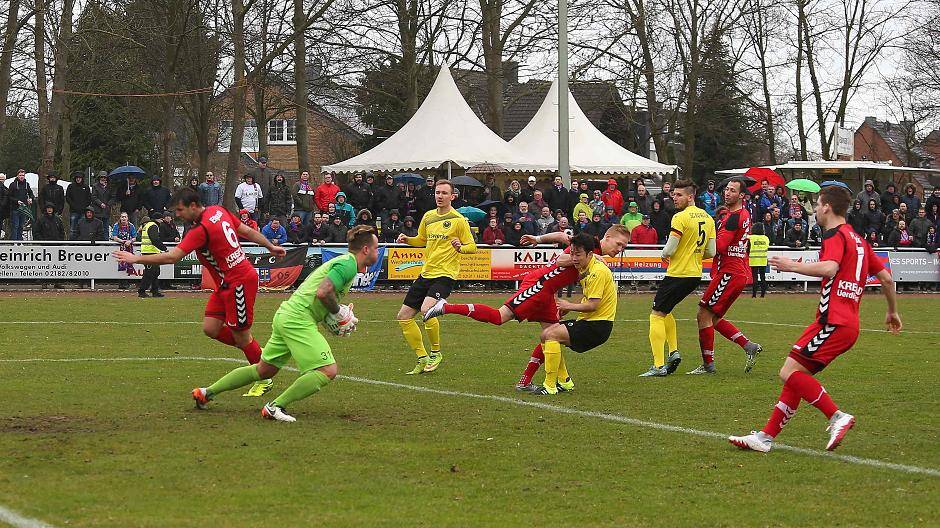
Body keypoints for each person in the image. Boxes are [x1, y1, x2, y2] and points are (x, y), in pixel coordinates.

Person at [729, 185, 901, 453]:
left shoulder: (835, 235)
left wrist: (792, 266)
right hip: (845, 324)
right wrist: (892, 311)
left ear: (827, 207)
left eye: (818, 205)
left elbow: (830, 268)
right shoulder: (858, 240)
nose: (816, 210)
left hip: (833, 321)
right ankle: (765, 438)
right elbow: (887, 279)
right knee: (796, 376)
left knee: (788, 373)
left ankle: (837, 416)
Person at [114, 188, 288, 398]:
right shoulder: (219, 210)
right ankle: (254, 350)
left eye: (180, 210)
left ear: (194, 206)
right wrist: (269, 246)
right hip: (225, 283)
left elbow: (172, 257)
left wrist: (136, 258)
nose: (178, 214)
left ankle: (264, 377)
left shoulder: (201, 229)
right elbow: (247, 231)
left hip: (239, 283)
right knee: (211, 328)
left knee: (242, 337)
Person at [194, 227, 379, 420]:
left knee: (264, 369)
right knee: (327, 370)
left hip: (287, 315)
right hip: (298, 318)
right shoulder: (348, 264)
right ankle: (275, 407)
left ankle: (206, 393)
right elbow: (323, 292)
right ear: (365, 249)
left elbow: (320, 294)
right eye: (375, 248)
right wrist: (338, 312)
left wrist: (333, 314)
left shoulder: (344, 262)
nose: (377, 251)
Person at [424, 226, 630, 391]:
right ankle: (446, 306)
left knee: (551, 335)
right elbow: (561, 259)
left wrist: (537, 239)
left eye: (624, 246)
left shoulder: (587, 247)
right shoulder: (589, 247)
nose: (620, 249)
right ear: (607, 237)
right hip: (539, 285)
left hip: (548, 291)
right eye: (619, 244)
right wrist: (590, 257)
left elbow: (562, 235)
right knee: (499, 317)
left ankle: (531, 381)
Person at [395, 180, 477, 375]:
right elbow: (421, 240)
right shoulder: (428, 216)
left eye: (444, 193)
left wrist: (460, 248)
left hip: (445, 274)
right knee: (403, 317)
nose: (440, 196)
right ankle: (422, 358)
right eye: (437, 192)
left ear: (452, 196)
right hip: (426, 272)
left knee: (427, 310)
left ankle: (436, 353)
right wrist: (408, 240)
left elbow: (472, 246)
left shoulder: (458, 220)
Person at [641, 179, 716, 377]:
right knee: (665, 311)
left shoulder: (680, 217)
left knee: (656, 314)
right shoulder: (708, 218)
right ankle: (673, 351)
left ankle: (658, 366)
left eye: (679, 195)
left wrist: (664, 254)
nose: (674, 198)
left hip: (678, 273)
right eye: (674, 194)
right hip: (695, 274)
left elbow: (670, 249)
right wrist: (693, 254)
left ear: (690, 196)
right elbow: (711, 251)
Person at [527, 234, 617, 395]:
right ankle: (564, 382)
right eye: (572, 254)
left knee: (551, 335)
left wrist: (569, 305)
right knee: (547, 334)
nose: (574, 258)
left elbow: (593, 305)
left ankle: (550, 386)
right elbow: (561, 261)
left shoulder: (597, 272)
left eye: (578, 254)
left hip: (598, 326)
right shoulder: (586, 267)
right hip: (590, 322)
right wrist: (571, 307)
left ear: (590, 254)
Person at [689, 179, 762, 375]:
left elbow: (720, 247)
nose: (727, 193)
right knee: (712, 318)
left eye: (732, 190)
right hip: (735, 272)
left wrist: (699, 241)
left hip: (729, 272)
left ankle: (708, 365)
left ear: (742, 195)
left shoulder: (733, 218)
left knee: (703, 314)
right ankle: (749, 347)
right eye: (727, 189)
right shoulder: (743, 214)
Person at [138, 214, 166, 298]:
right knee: (149, 273)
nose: (162, 221)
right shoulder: (153, 226)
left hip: (149, 252)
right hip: (150, 252)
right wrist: (164, 248)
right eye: (161, 219)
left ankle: (155, 290)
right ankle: (142, 291)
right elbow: (155, 240)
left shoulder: (148, 225)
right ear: (158, 219)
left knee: (155, 272)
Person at [66, 172, 92, 239]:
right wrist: (73, 206)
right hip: (73, 211)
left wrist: (84, 207)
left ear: (82, 179)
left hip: (83, 211)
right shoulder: (71, 186)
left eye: (79, 178)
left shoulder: (86, 187)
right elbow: (68, 198)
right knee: (73, 228)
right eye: (77, 178)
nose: (78, 179)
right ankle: (72, 242)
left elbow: (89, 198)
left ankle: (82, 241)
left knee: (83, 228)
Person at [749, 223, 769, 298]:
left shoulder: (750, 238)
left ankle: (754, 295)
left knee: (755, 277)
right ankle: (762, 295)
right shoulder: (766, 238)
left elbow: (747, 248)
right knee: (763, 277)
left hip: (753, 260)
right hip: (763, 260)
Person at [91, 172, 112, 238]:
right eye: (102, 177)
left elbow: (113, 197)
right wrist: (100, 203)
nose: (103, 179)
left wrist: (108, 204)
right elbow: (94, 197)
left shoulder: (109, 187)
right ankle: (96, 241)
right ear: (99, 178)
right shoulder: (95, 186)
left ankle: (106, 241)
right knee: (96, 228)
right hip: (97, 211)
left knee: (106, 228)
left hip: (106, 211)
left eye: (104, 177)